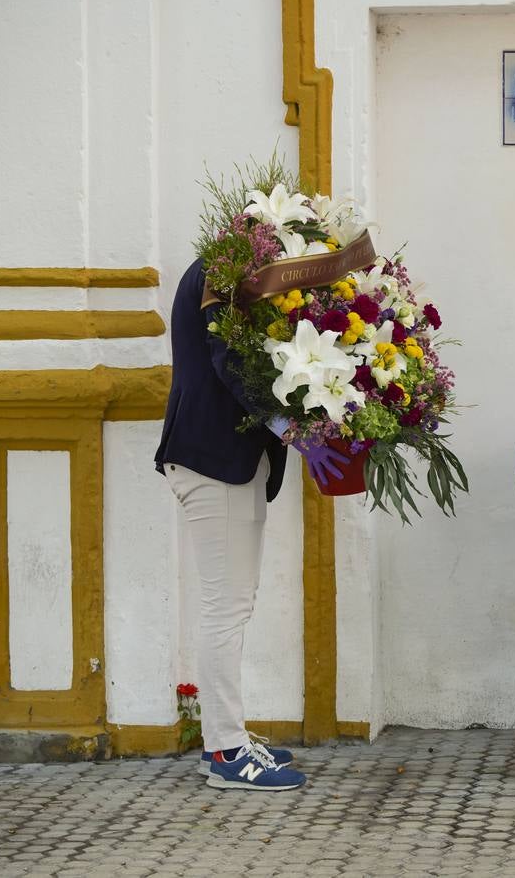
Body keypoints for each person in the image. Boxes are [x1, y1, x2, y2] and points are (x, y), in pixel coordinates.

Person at [155, 258, 350, 791]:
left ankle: (225, 738)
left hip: (228, 461)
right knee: (226, 605)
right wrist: (292, 427)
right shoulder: (225, 270)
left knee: (234, 602)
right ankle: (225, 752)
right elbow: (230, 361)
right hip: (211, 459)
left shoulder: (232, 268)